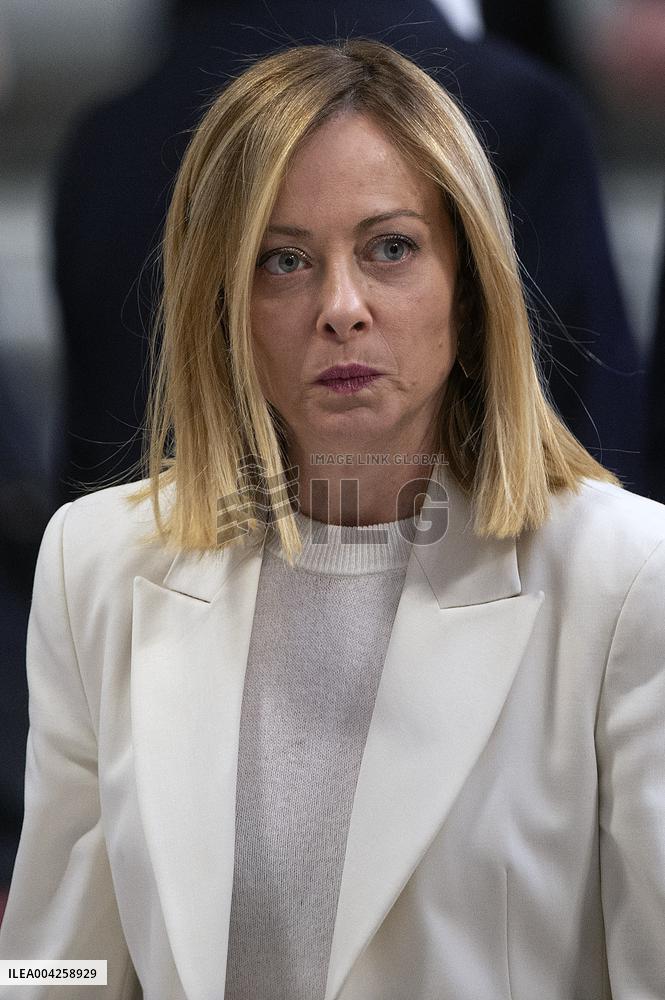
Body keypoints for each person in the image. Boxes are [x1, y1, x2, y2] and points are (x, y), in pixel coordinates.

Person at [1, 38, 664, 1000]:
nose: (340, 307)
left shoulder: (625, 576)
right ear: (222, 302)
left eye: (390, 248)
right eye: (283, 261)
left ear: (469, 283)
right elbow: (55, 966)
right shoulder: (97, 562)